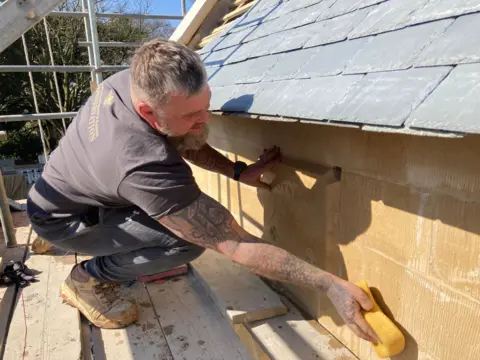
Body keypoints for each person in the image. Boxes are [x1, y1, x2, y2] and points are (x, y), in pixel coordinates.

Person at [26, 39, 379, 343]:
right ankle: (85, 278)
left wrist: (238, 171)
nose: (205, 120)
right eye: (192, 116)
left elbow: (182, 137)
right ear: (149, 113)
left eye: (205, 107)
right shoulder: (139, 161)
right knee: (187, 243)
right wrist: (328, 283)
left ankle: (86, 237)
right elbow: (235, 243)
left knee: (180, 161)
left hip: (75, 188)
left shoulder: (136, 81)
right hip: (64, 219)